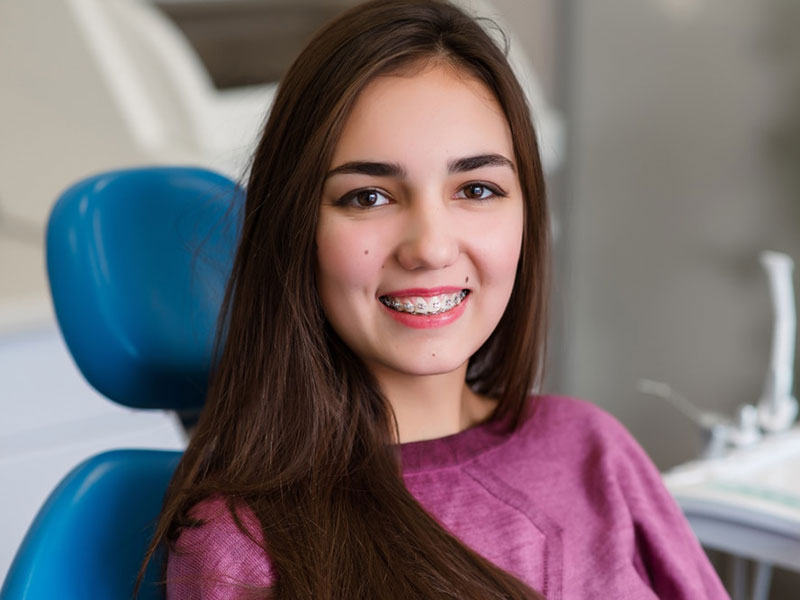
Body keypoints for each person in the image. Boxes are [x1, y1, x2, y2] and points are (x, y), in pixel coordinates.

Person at [139, 0, 730, 598]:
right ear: (296, 232)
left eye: (476, 188)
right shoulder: (241, 544)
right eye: (368, 197)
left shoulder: (592, 449)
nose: (430, 247)